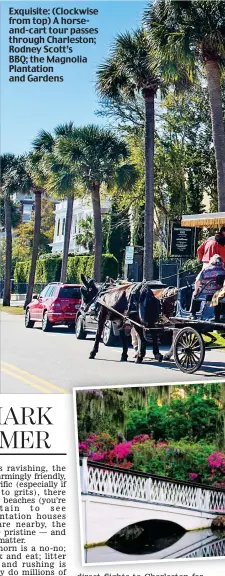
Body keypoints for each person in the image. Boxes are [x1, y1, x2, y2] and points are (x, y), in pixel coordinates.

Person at [190, 254, 225, 319]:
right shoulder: (223, 270)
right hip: (217, 296)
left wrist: (195, 291)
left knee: (195, 293)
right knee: (218, 294)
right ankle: (217, 316)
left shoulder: (206, 270)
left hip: (206, 294)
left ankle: (193, 314)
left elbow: (197, 281)